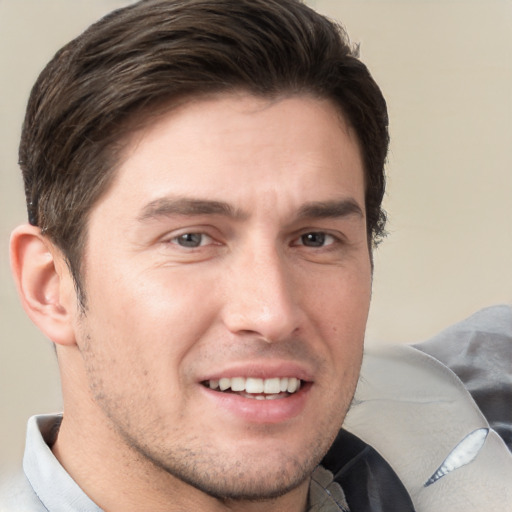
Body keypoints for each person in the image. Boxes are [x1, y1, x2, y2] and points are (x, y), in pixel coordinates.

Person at [2, 1, 511, 511]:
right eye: (191, 239)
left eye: (315, 239)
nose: (272, 314)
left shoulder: (467, 408)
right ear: (50, 287)